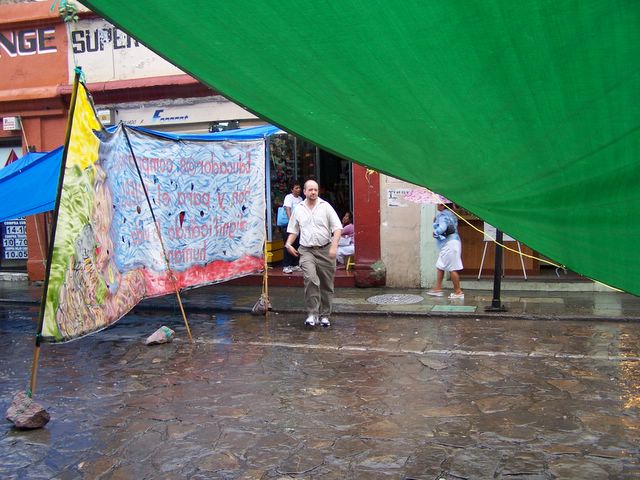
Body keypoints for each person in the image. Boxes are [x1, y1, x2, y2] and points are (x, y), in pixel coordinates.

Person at [285, 180, 342, 327]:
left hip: (325, 249)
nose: (313, 192)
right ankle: (312, 314)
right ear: (304, 191)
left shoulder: (326, 207)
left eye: (315, 190)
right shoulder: (299, 208)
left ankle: (325, 315)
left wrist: (334, 246)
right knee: (311, 279)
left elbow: (337, 228)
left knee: (326, 285)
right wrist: (288, 244)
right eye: (310, 189)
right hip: (306, 250)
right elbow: (294, 230)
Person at [427, 200, 464, 299]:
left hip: (449, 244)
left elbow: (443, 227)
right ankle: (438, 288)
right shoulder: (451, 214)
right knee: (440, 265)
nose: (437, 205)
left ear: (443, 205)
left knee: (452, 268)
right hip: (453, 242)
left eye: (438, 203)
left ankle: (458, 292)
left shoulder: (443, 215)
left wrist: (436, 232)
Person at [281, 182, 303, 274]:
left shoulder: (300, 199)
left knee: (296, 244)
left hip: (297, 225)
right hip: (289, 225)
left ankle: (294, 264)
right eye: (296, 188)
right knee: (288, 244)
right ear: (292, 189)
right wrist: (291, 222)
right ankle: (286, 266)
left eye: (299, 188)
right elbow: (288, 209)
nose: (298, 189)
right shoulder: (288, 197)